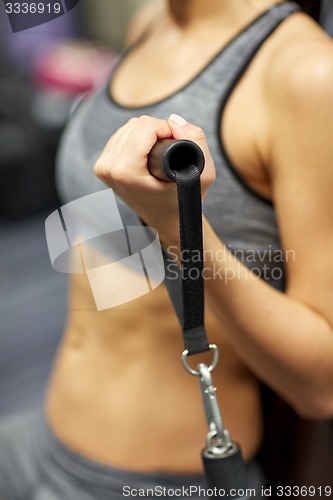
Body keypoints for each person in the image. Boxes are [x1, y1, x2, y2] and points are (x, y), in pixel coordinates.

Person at [1, 0, 333, 498]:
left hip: (152, 481)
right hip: (46, 432)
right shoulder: (153, 19)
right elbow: (119, 273)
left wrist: (177, 226)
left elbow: (320, 387)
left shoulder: (307, 72)